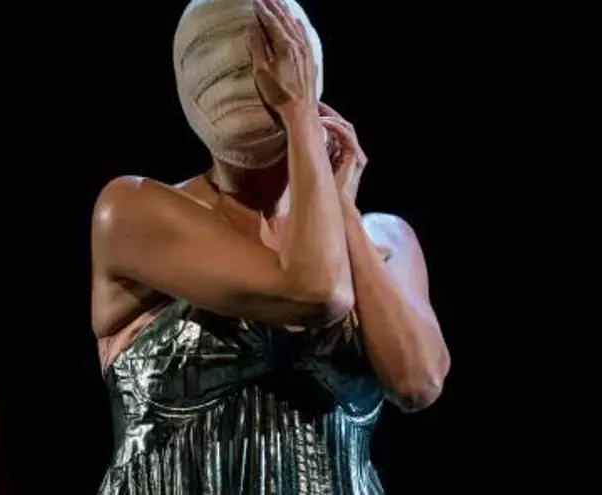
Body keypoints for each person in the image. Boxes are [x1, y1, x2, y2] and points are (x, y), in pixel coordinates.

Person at [91, 0, 450, 493]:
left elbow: (418, 382)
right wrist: (300, 117)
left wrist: (341, 212)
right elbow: (316, 292)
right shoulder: (132, 211)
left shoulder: (384, 238)